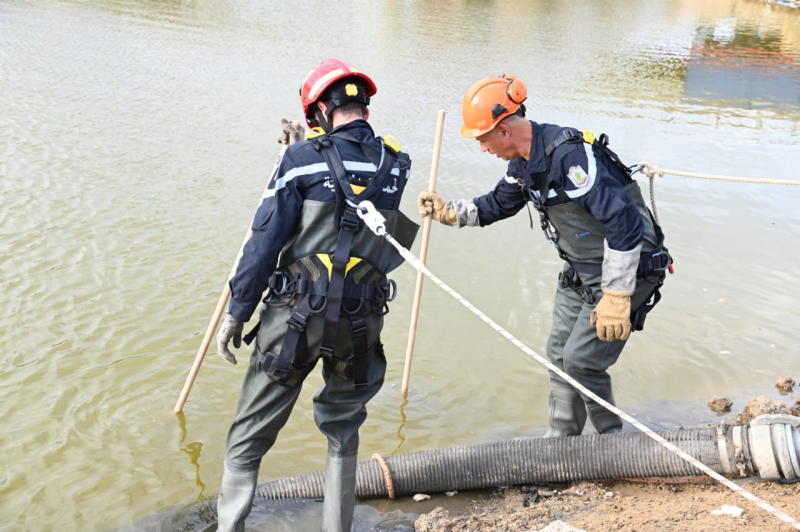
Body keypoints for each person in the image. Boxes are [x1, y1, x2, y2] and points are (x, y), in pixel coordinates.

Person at [215, 58, 418, 532]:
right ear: (364, 108)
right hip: (360, 321)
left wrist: (237, 313)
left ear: (322, 110)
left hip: (294, 321)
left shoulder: (299, 160)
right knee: (343, 429)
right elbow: (358, 205)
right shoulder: (397, 164)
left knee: (249, 433)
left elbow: (264, 243)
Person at [418, 75, 671, 438]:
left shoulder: (569, 158)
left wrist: (617, 295)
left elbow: (624, 221)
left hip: (630, 269)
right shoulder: (523, 163)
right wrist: (449, 213)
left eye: (483, 139)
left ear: (504, 130)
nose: (483, 148)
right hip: (581, 271)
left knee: (581, 361)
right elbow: (497, 204)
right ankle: (560, 443)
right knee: (558, 355)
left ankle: (612, 442)